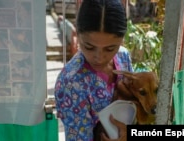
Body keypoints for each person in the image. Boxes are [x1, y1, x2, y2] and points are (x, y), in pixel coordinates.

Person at [54, 0, 132, 140]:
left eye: (110, 48)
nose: (99, 57)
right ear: (77, 33)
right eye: (89, 47)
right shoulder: (71, 83)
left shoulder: (123, 57)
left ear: (121, 40)